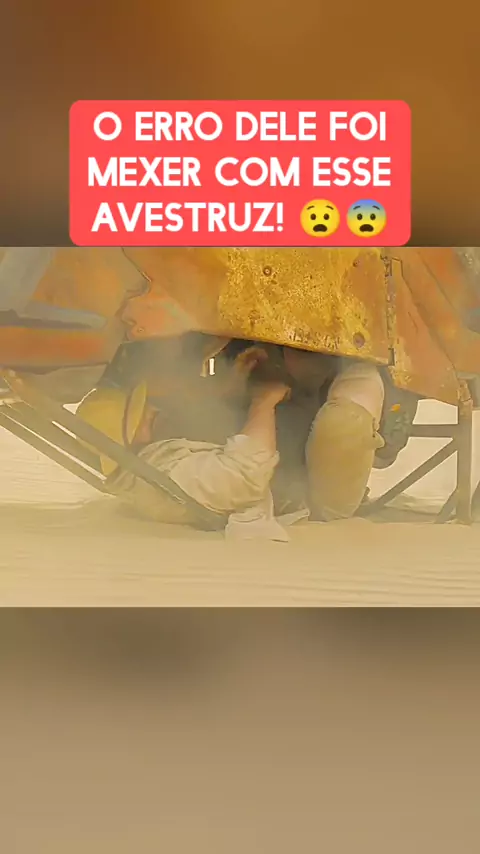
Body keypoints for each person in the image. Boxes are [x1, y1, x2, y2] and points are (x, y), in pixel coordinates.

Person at [76, 346, 306, 541]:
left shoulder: (147, 465)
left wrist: (229, 385)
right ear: (132, 440)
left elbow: (193, 424)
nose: (154, 410)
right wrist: (263, 403)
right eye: (142, 413)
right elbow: (244, 473)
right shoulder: (165, 474)